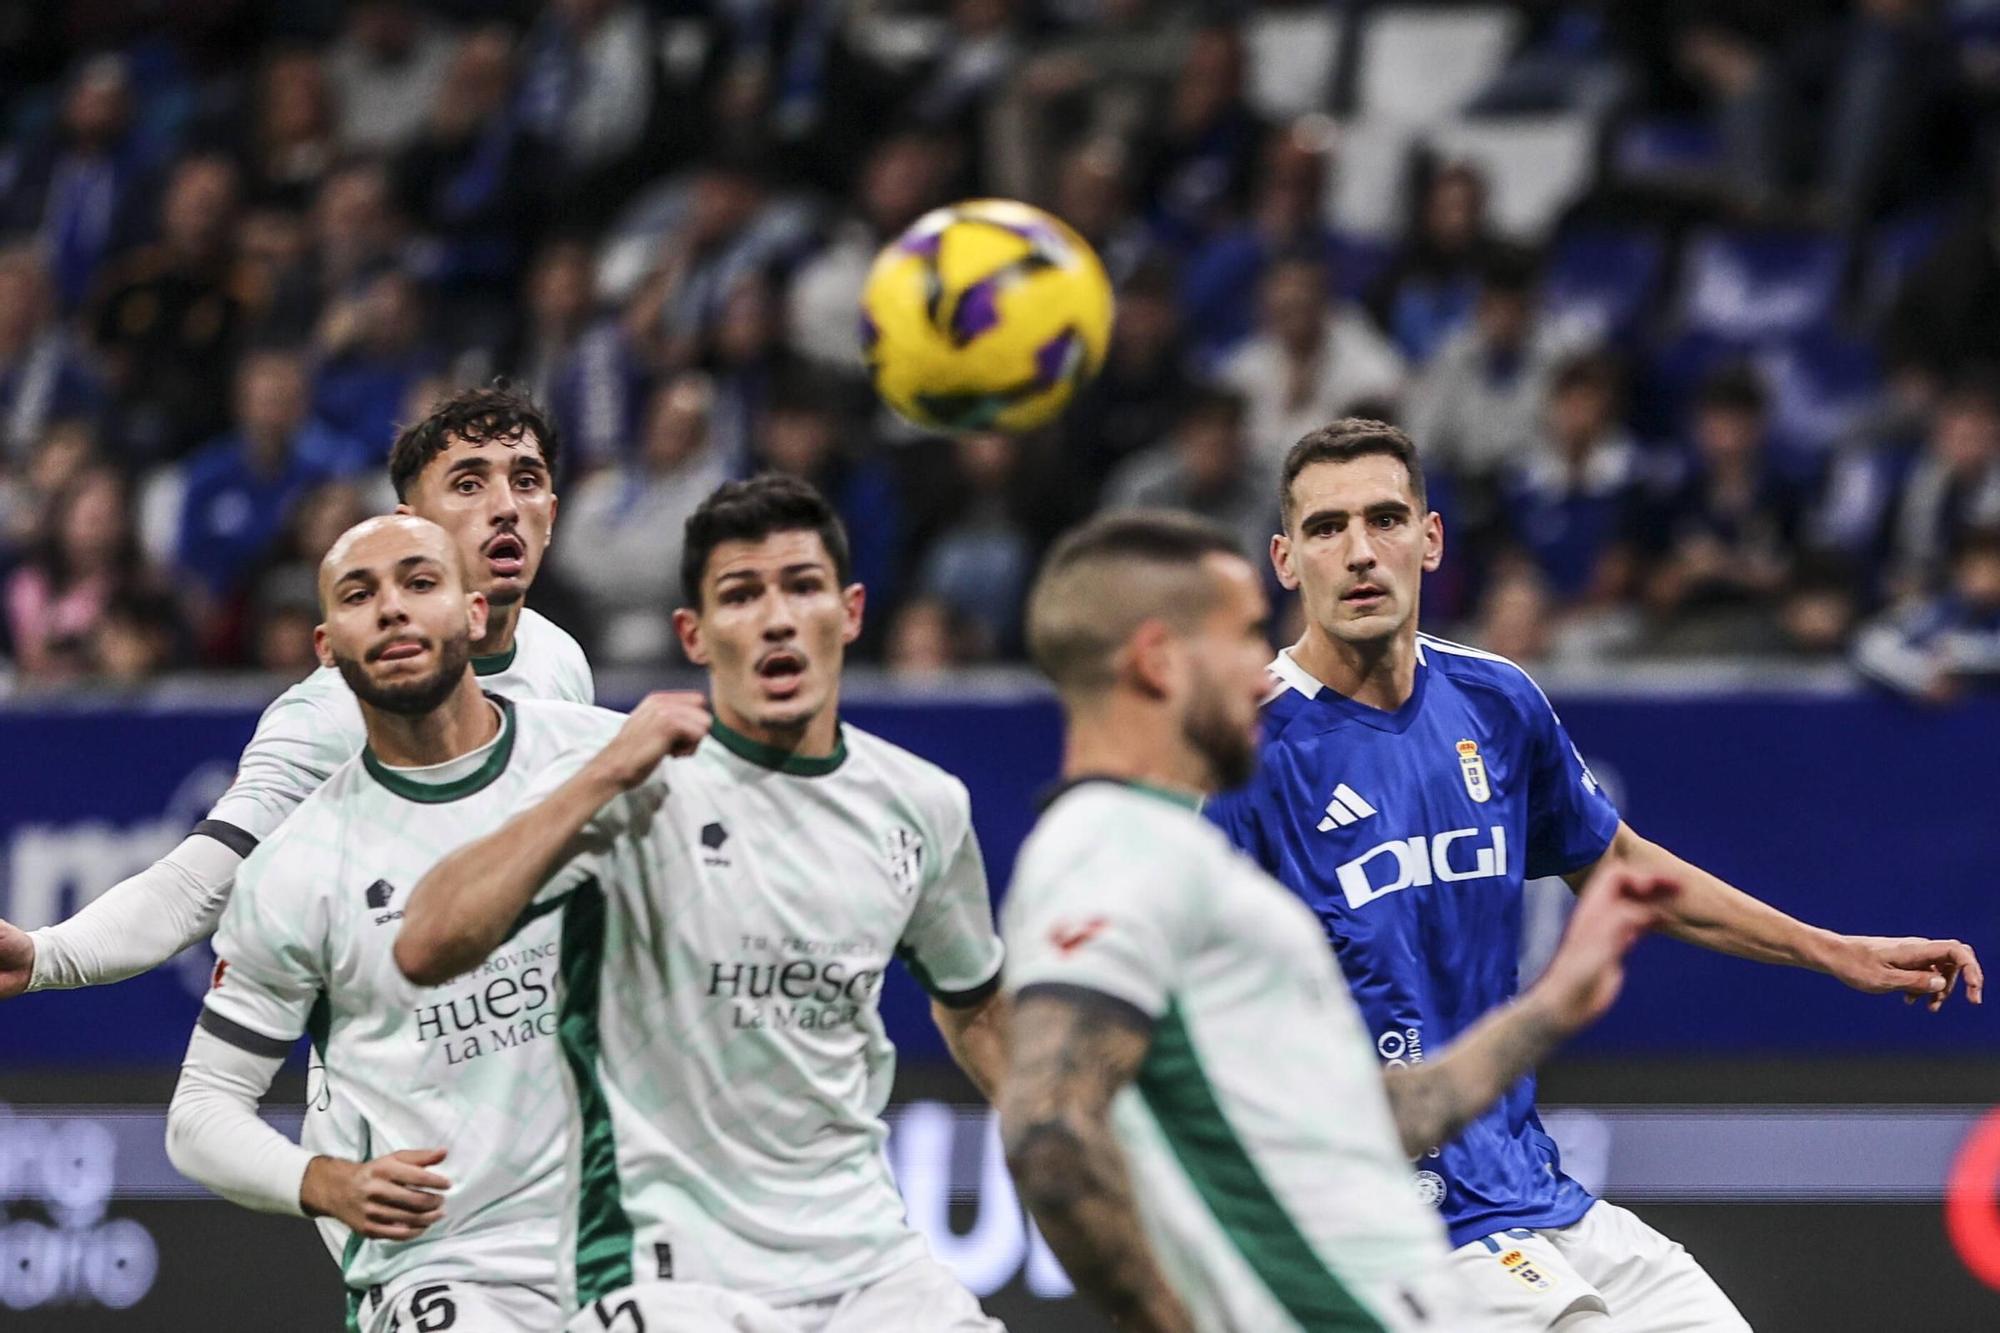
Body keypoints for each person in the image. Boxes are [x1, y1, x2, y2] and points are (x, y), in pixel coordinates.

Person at [1206, 418, 1983, 1330]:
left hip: (1534, 1192)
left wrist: (1832, 950)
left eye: (1385, 518)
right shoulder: (1243, 748)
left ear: (1431, 537)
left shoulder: (1495, 700)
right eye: (1327, 528)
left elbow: (1619, 864)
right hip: (1385, 1226)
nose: (1361, 551)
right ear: (1286, 560)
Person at [996, 509, 1680, 1332]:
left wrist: (1550, 1007)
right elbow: (1047, 1133)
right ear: (1157, 661)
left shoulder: (1184, 856)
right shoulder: (1107, 850)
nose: (1265, 676)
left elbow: (1364, 1118)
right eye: (1248, 638)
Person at [395, 475, 1008, 1332]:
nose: (777, 618)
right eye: (741, 595)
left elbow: (975, 1003)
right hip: (667, 1272)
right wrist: (607, 772)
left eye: (802, 586)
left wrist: (1075, 1154)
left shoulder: (921, 803)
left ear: (853, 610)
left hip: (870, 1263)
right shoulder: (626, 783)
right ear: (693, 633)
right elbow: (424, 941)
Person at [167, 512, 623, 1332]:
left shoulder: (602, 762)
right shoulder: (296, 865)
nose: (391, 609)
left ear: (474, 612)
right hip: (448, 1272)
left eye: (419, 583)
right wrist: (326, 1180)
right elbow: (201, 1113)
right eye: (358, 594)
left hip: (640, 1241)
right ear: (326, 647)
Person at [0, 386, 592, 999]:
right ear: (410, 525)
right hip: (383, 1081)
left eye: (526, 480)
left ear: (551, 511)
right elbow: (196, 883)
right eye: (468, 484)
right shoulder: (331, 712)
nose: (505, 506)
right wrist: (49, 954)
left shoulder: (561, 659)